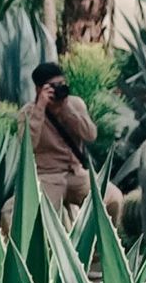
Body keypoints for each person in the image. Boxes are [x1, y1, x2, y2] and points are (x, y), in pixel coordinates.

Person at [25, 61, 99, 214]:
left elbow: (91, 135)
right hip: (48, 177)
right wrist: (40, 108)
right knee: (28, 214)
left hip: (77, 174)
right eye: (53, 86)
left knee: (113, 198)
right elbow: (28, 146)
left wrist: (67, 110)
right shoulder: (28, 113)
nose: (59, 89)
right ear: (39, 89)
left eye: (62, 84)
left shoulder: (74, 104)